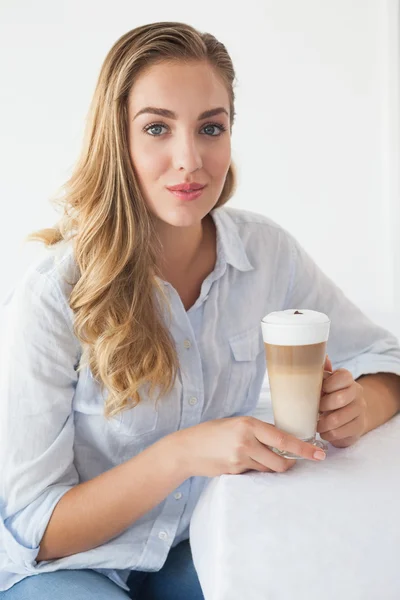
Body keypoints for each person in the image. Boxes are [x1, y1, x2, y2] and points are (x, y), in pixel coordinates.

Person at [1, 20, 400, 600]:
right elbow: (34, 528)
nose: (188, 159)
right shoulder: (53, 293)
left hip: (195, 546)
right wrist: (184, 453)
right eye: (157, 128)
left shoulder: (266, 255)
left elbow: (383, 354)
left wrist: (363, 401)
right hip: (66, 567)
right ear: (119, 140)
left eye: (210, 127)